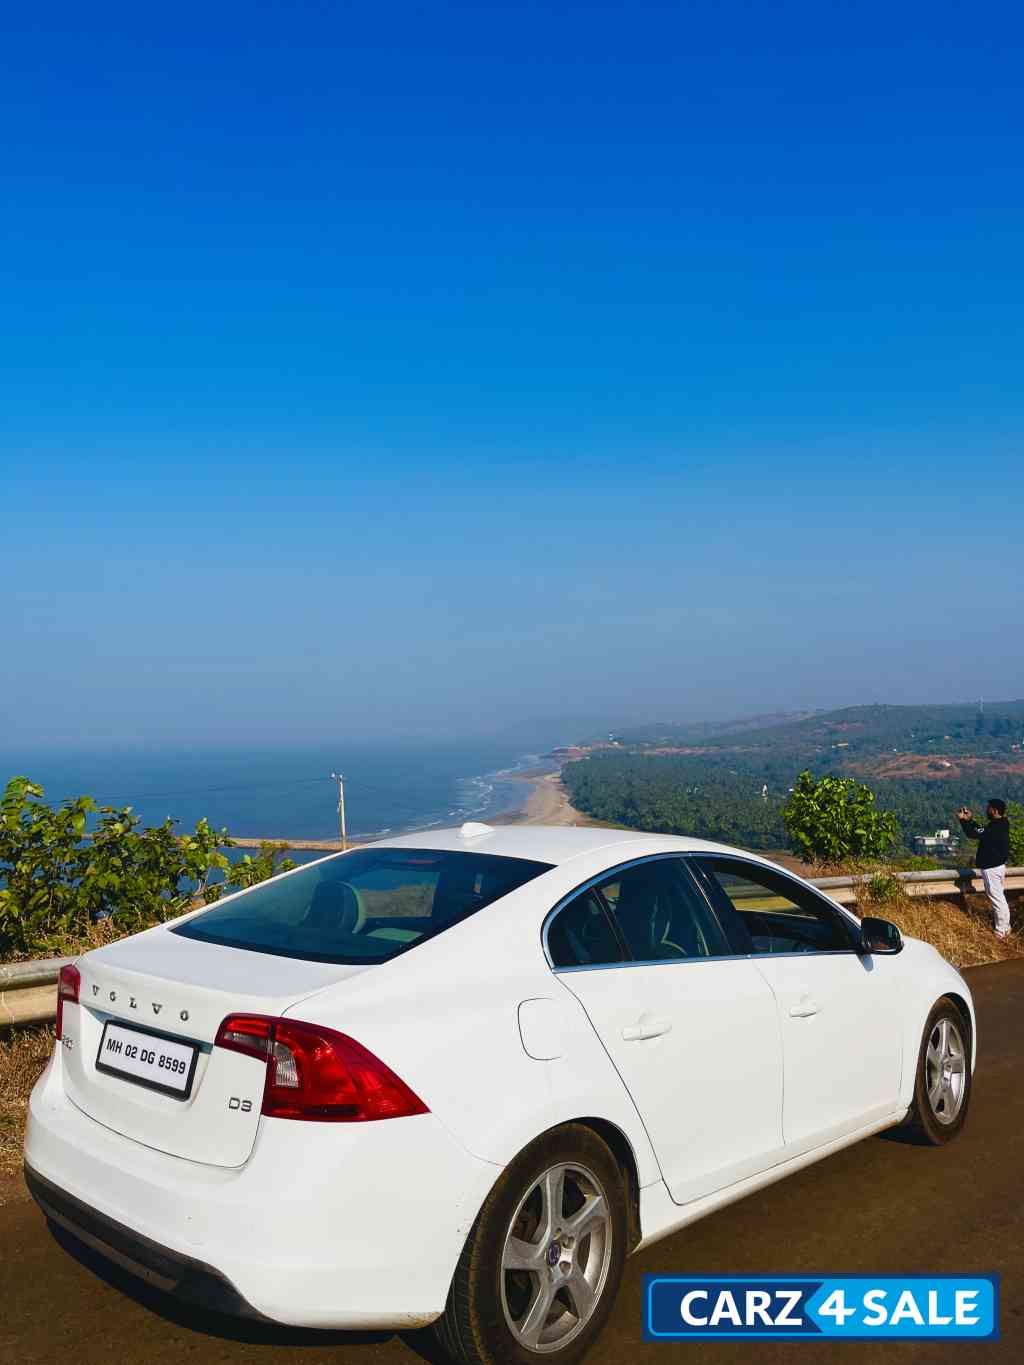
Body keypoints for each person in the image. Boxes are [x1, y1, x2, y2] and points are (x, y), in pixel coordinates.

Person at [957, 799, 1012, 938]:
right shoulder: (1001, 824)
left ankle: (1001, 932)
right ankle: (1005, 928)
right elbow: (982, 831)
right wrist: (970, 820)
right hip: (998, 866)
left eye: (988, 808)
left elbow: (974, 833)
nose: (987, 810)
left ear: (994, 810)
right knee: (999, 897)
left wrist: (964, 821)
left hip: (991, 868)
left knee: (997, 898)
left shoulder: (995, 827)